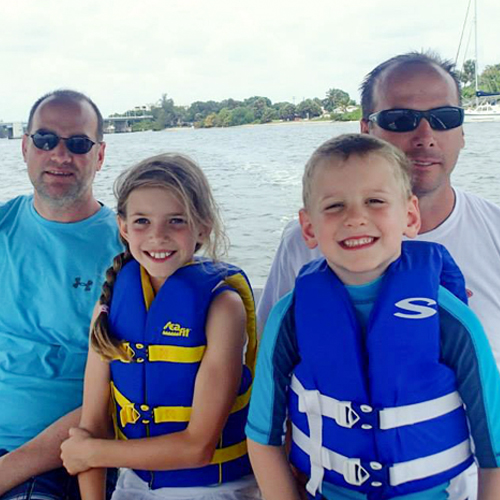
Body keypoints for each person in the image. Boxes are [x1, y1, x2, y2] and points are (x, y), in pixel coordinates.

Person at [246, 133, 500, 500]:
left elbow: (494, 450)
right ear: (309, 228)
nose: (355, 218)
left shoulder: (450, 319)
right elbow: (262, 437)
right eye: (334, 206)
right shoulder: (290, 316)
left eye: (375, 201)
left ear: (410, 216)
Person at [256, 52, 500, 374]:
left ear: (462, 131)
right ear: (366, 131)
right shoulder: (303, 244)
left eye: (445, 118)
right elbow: (272, 369)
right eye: (400, 119)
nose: (425, 137)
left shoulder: (494, 231)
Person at [60, 153, 261, 500]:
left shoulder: (223, 307)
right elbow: (90, 426)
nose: (158, 236)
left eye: (176, 221)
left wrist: (92, 453)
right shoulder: (109, 305)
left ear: (202, 227)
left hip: (214, 487)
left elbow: (197, 447)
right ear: (123, 227)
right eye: (142, 222)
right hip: (133, 484)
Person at [0, 90, 122, 499]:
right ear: (25, 146)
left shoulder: (132, 252)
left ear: (100, 156)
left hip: (60, 460)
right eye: (46, 140)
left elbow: (122, 396)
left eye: (78, 144)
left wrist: (7, 470)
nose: (60, 154)